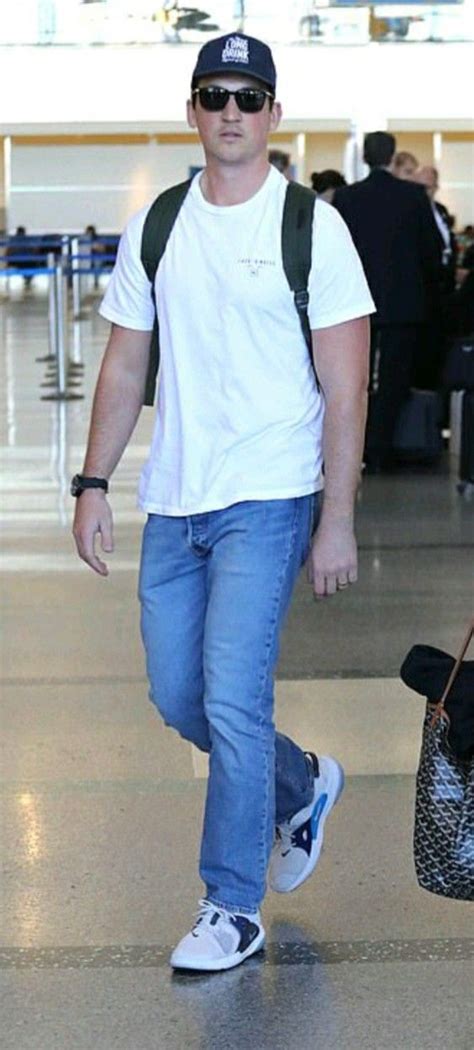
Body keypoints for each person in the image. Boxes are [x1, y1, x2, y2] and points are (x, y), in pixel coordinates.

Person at [72, 31, 374, 973]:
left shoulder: (310, 226)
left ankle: (230, 903)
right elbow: (126, 360)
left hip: (271, 494)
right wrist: (93, 482)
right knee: (179, 694)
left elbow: (348, 379)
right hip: (179, 496)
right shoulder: (160, 224)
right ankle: (302, 783)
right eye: (215, 95)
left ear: (275, 114)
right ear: (193, 110)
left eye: (250, 96)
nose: (232, 111)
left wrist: (337, 518)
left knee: (234, 698)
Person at [333, 131, 440, 471]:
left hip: (356, 301)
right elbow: (431, 250)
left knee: (356, 378)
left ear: (365, 156)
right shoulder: (412, 196)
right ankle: (381, 449)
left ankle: (357, 449)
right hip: (403, 302)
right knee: (393, 380)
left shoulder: (348, 198)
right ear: (393, 156)